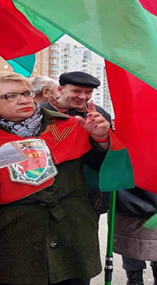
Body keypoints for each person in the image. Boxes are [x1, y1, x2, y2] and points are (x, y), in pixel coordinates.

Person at [0, 71, 113, 285]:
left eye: (26, 93)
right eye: (10, 96)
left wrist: (101, 139)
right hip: (9, 245)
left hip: (71, 237)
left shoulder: (70, 125)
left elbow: (107, 170)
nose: (24, 100)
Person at [42, 71, 112, 214]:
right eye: (76, 91)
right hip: (51, 190)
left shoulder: (99, 114)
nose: (82, 97)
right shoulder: (41, 112)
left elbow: (108, 158)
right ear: (60, 89)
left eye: (88, 92)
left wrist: (102, 138)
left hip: (88, 190)